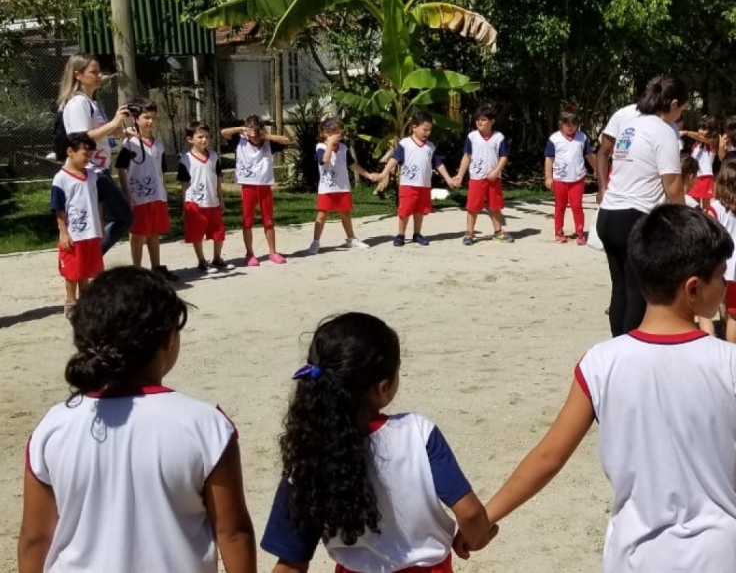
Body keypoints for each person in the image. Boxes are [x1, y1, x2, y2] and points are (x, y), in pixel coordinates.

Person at [472, 205, 736, 573]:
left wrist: (485, 516)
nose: (726, 286)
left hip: (635, 556)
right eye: (721, 277)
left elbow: (548, 456)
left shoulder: (601, 363)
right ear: (693, 288)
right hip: (721, 553)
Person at [19, 266, 256, 573]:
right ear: (168, 339)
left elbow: (34, 539)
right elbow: (233, 533)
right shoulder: (206, 426)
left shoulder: (52, 426)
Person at [259, 313, 496, 573]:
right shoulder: (417, 432)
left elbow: (292, 562)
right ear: (383, 388)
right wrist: (477, 537)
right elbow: (470, 513)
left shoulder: (310, 454)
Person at [595, 76, 688, 337]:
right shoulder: (663, 131)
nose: (680, 114)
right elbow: (672, 185)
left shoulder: (631, 125)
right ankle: (630, 352)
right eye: (682, 108)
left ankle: (618, 345)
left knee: (620, 288)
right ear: (672, 103)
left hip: (609, 216)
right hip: (634, 218)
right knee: (638, 291)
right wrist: (686, 220)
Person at [56, 54, 133, 255]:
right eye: (94, 72)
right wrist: (114, 123)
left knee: (102, 221)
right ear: (78, 75)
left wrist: (121, 131)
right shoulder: (77, 103)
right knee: (123, 216)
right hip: (90, 169)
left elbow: (99, 132)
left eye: (100, 71)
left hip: (99, 168)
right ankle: (90, 259)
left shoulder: (93, 103)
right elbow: (81, 137)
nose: (100, 75)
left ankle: (89, 261)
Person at [376, 111, 458, 247]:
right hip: (408, 184)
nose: (427, 133)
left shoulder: (430, 147)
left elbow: (439, 164)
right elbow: (394, 159)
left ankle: (417, 234)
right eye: (425, 129)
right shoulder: (405, 144)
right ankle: (401, 234)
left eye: (430, 130)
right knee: (405, 211)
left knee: (420, 211)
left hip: (424, 185)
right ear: (414, 127)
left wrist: (448, 179)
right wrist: (383, 173)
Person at [114, 97, 175, 279]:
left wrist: (163, 193)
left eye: (153, 118)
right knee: (138, 234)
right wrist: (127, 195)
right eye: (146, 117)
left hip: (156, 196)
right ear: (136, 119)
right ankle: (137, 270)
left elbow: (161, 171)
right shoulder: (129, 144)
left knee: (154, 232)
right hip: (138, 196)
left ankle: (156, 267)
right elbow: (121, 169)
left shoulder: (159, 144)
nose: (150, 121)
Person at [700, 153, 736, 344]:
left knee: (705, 311)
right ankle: (731, 351)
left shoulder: (715, 209)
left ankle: (709, 344)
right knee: (734, 313)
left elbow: (707, 239)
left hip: (718, 267)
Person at [220, 115, 290, 266]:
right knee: (247, 221)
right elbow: (224, 132)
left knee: (269, 221)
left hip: (265, 185)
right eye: (253, 134)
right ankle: (250, 254)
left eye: (258, 134)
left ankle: (273, 252)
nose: (256, 138)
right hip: (248, 186)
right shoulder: (240, 141)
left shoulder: (267, 142)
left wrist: (266, 135)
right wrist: (242, 129)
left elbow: (286, 140)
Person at [50, 134, 108, 314]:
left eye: (90, 155)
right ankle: (71, 300)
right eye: (84, 154)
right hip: (74, 232)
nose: (87, 158)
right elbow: (58, 208)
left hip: (92, 231)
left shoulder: (92, 175)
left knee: (87, 268)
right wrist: (64, 232)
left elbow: (97, 201)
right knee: (73, 270)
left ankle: (85, 298)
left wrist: (100, 223)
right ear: (70, 152)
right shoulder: (61, 178)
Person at [309, 117, 378, 255]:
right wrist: (329, 145)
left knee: (346, 213)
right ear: (325, 133)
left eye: (340, 133)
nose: (339, 136)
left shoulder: (344, 148)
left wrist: (368, 175)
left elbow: (352, 165)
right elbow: (325, 161)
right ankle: (315, 242)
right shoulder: (320, 147)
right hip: (327, 189)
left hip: (342, 187)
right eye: (336, 133)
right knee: (322, 215)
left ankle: (351, 238)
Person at [455, 102, 514, 245]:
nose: (480, 122)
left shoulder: (499, 137)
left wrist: (495, 171)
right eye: (478, 119)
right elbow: (467, 156)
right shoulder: (472, 137)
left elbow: (504, 157)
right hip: (476, 178)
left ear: (492, 121)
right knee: (473, 207)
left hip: (494, 179)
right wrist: (460, 175)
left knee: (495, 206)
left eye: (483, 119)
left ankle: (498, 231)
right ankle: (469, 232)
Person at [177, 123, 230, 273]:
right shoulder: (185, 159)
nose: (204, 140)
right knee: (197, 233)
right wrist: (184, 206)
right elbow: (184, 184)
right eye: (200, 136)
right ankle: (201, 261)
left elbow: (218, 179)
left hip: (213, 201)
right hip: (194, 202)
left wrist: (221, 199)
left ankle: (217, 258)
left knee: (219, 231)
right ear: (190, 139)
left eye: (206, 137)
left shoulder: (214, 156)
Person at [544, 109, 597, 244]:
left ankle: (580, 232)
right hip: (560, 179)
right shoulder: (554, 139)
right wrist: (548, 177)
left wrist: (597, 169)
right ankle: (558, 231)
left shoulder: (582, 138)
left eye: (573, 123)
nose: (570, 126)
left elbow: (589, 155)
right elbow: (549, 159)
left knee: (577, 206)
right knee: (560, 206)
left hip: (577, 178)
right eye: (567, 123)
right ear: (560, 124)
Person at [595, 101, 641, 204]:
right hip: (616, 197)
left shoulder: (667, 121)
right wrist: (602, 188)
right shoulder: (622, 115)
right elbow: (603, 153)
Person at [678, 115, 718, 209]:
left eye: (704, 129)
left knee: (706, 208)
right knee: (693, 205)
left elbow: (701, 138)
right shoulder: (696, 145)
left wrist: (686, 132)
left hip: (706, 177)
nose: (700, 131)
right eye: (700, 128)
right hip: (694, 177)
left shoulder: (712, 143)